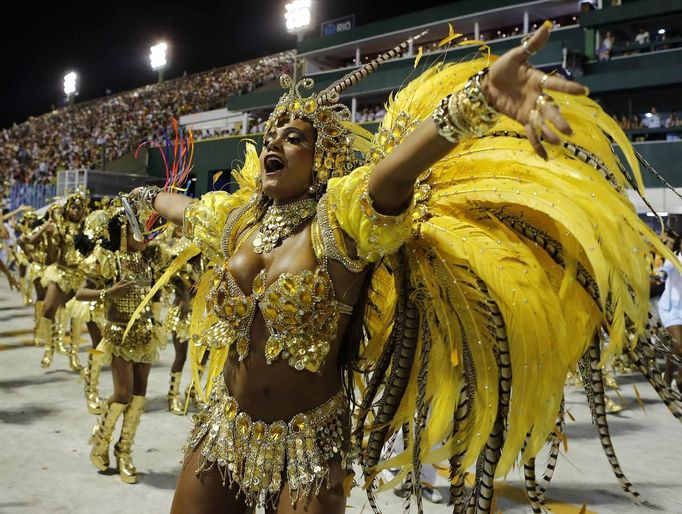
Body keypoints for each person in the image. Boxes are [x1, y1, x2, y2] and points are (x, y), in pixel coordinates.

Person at [125, 22, 674, 514]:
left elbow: (394, 171)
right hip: (223, 427)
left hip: (308, 445)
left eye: (295, 138)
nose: (275, 143)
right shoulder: (237, 221)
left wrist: (480, 100)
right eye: (271, 136)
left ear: (323, 162)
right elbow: (185, 209)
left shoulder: (339, 223)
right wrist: (146, 196)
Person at [75, 205, 167, 484]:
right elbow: (80, 292)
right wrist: (108, 291)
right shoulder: (109, 261)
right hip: (118, 333)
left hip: (145, 333)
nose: (146, 236)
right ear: (126, 231)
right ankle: (101, 440)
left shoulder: (151, 261)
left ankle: (124, 451)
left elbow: (157, 291)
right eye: (141, 230)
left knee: (139, 396)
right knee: (123, 393)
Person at [657, 232, 682, 391]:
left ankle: (673, 378)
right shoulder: (675, 258)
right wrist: (660, 275)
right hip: (671, 309)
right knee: (679, 345)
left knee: (678, 350)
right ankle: (671, 378)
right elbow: (664, 271)